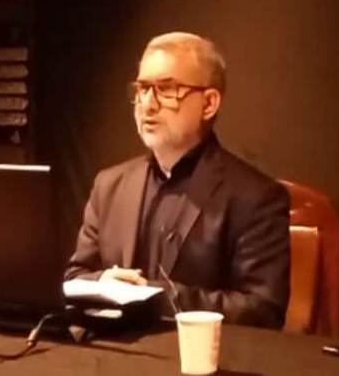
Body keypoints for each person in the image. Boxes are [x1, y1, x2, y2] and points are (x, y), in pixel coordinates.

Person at [64, 31, 290, 329]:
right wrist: (104, 282)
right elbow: (75, 278)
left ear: (208, 104)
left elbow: (261, 309)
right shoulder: (109, 186)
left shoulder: (255, 197)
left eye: (166, 89)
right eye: (143, 89)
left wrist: (154, 298)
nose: (148, 104)